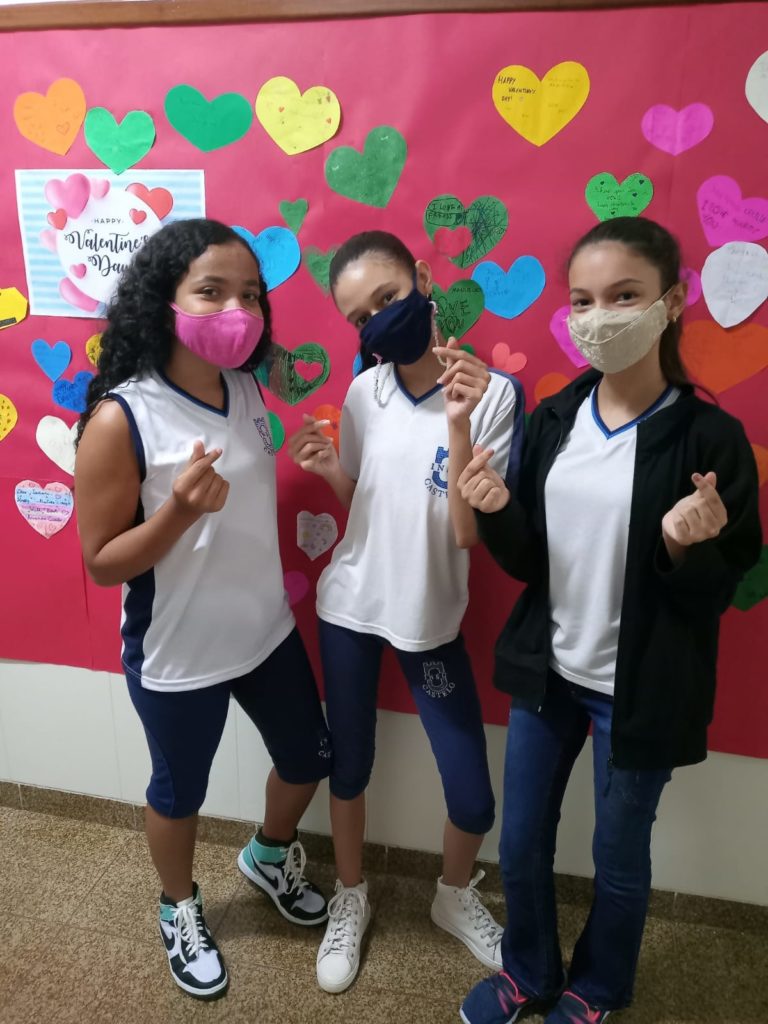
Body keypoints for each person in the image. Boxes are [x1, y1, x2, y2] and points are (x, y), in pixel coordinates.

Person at [458, 216, 762, 1024]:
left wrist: (683, 547)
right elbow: (529, 559)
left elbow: (724, 586)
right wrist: (495, 507)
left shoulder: (710, 438)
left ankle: (597, 988)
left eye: (624, 296)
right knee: (520, 842)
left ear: (672, 302)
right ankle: (529, 974)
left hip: (641, 690)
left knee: (618, 857)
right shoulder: (556, 418)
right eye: (583, 300)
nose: (599, 317)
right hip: (548, 673)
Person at [75, 218, 331, 1001]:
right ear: (165, 300)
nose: (236, 310)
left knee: (310, 759)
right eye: (212, 291)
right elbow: (101, 561)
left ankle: (267, 855)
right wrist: (180, 513)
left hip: (266, 631)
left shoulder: (246, 386)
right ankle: (178, 906)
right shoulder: (122, 417)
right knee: (178, 792)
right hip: (178, 651)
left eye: (250, 294)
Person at [288, 230, 525, 993]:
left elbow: (466, 533)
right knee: (350, 766)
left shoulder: (494, 396)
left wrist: (458, 421)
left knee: (473, 797)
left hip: (430, 620)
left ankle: (452, 897)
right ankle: (350, 896)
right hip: (351, 608)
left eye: (387, 299)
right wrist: (332, 471)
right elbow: (368, 503)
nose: (377, 322)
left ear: (423, 279)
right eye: (360, 317)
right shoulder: (366, 392)